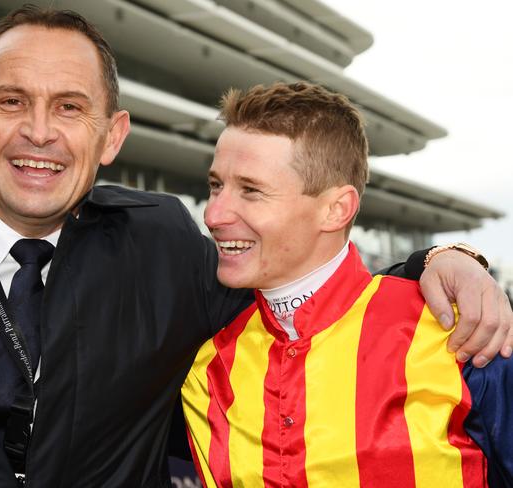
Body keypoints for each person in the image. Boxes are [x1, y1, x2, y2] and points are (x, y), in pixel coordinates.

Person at [0, 5, 510, 487]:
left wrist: (445, 262)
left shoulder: (164, 247)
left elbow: (311, 291)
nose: (39, 132)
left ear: (113, 137)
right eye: (11, 102)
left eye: (69, 107)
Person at [180, 82, 513, 487]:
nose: (214, 214)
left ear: (337, 210)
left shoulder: (463, 332)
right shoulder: (207, 369)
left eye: (251, 191)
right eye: (216, 186)